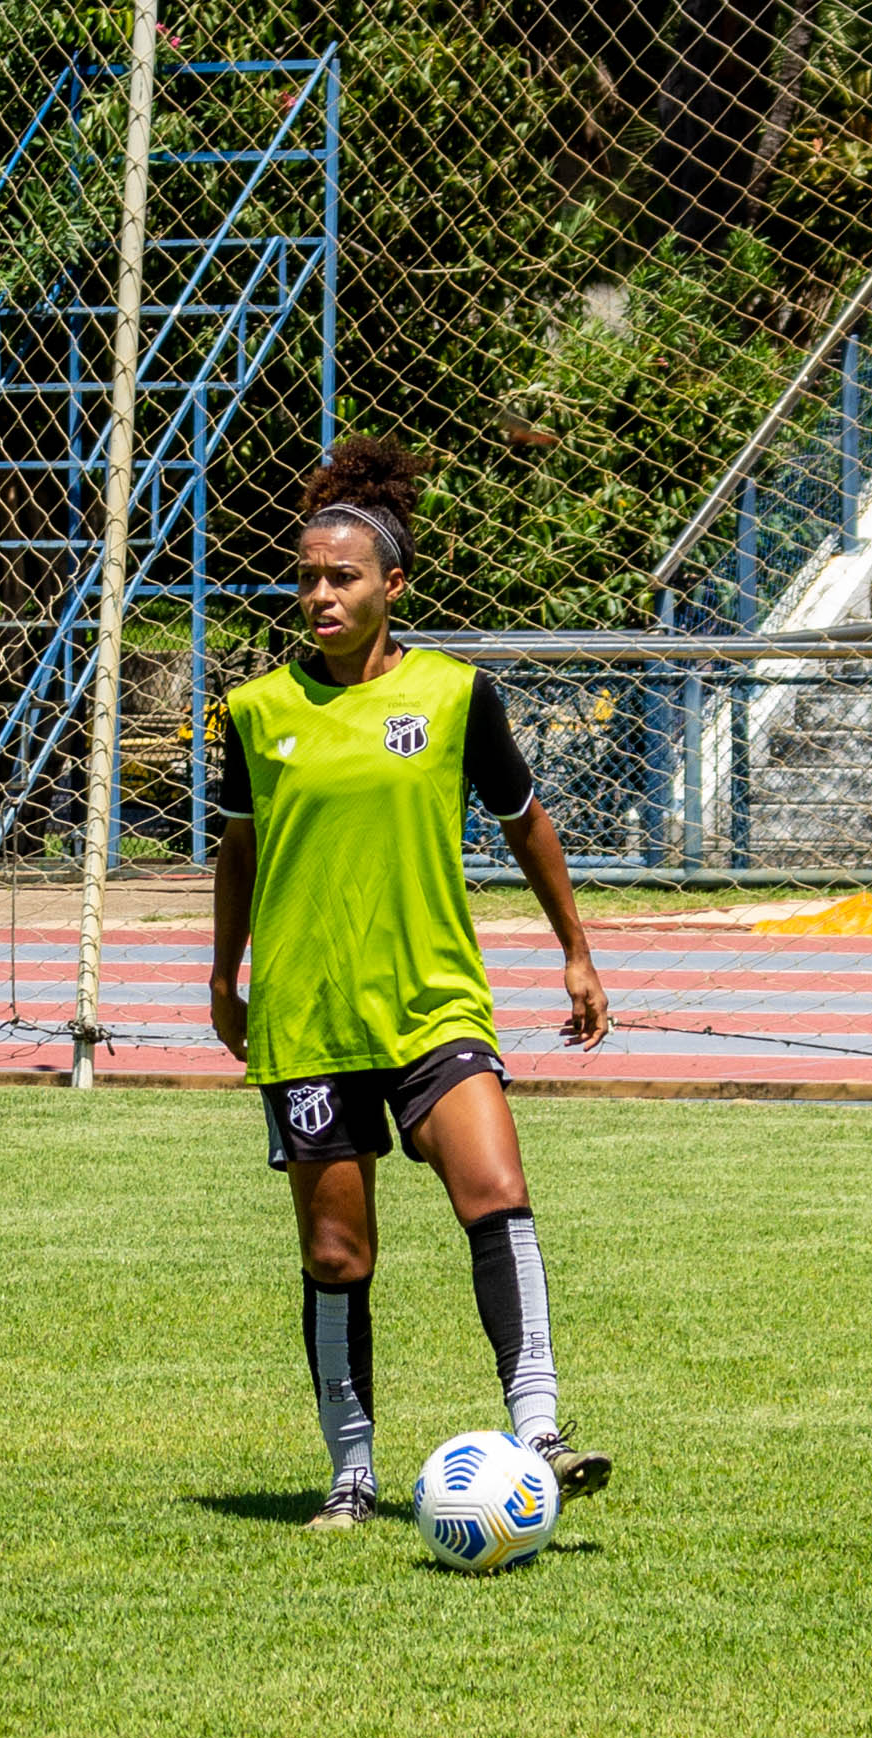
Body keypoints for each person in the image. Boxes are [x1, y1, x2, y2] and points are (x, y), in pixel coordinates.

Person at [208, 437, 615, 1530]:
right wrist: (222, 974)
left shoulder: (455, 695)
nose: (320, 594)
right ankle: (350, 1475)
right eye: (306, 576)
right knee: (339, 1252)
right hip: (310, 1016)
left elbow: (525, 821)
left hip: (434, 1000)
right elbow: (238, 850)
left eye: (342, 576)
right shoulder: (254, 713)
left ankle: (539, 1430)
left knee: (495, 1187)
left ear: (394, 584)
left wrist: (575, 948)